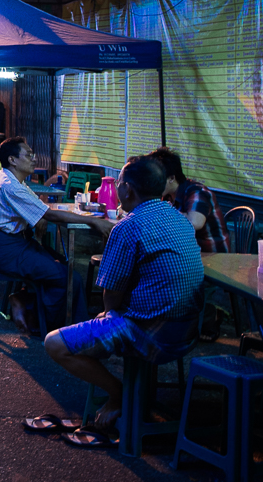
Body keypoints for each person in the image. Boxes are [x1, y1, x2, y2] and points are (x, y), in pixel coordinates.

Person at [44, 156, 204, 438]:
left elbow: (111, 297)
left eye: (117, 183)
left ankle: (119, 392)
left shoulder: (127, 227)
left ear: (128, 189)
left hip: (147, 336)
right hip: (188, 333)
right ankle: (127, 395)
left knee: (55, 343)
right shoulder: (180, 220)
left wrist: (107, 314)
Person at [0, 137, 114, 334]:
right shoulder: (9, 185)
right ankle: (69, 332)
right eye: (28, 155)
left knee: (62, 263)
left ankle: (27, 304)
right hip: (8, 250)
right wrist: (93, 220)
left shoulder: (12, 179)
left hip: (17, 243)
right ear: (12, 160)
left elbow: (39, 210)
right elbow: (48, 213)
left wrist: (41, 217)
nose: (34, 159)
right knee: (69, 277)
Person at [147, 147, 231, 253]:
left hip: (214, 256)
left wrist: (160, 212)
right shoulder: (166, 195)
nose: (152, 183)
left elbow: (195, 222)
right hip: (188, 254)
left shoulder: (197, 192)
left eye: (156, 178)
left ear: (172, 178)